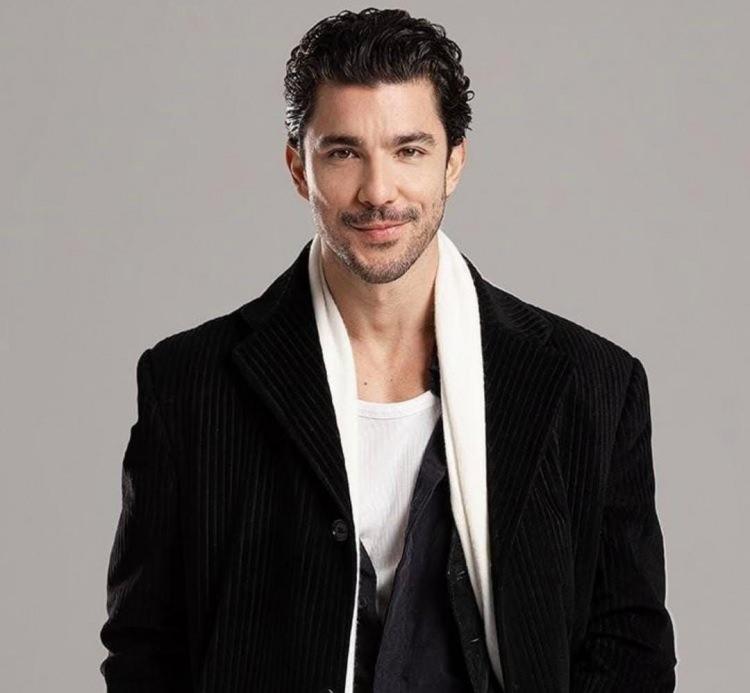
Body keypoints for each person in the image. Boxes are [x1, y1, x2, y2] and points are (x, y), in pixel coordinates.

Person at [99, 8, 676, 692]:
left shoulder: (594, 385)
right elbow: (146, 649)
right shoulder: (190, 384)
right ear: (298, 167)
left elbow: (630, 647)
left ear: (454, 162)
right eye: (344, 152)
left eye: (409, 150)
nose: (378, 191)